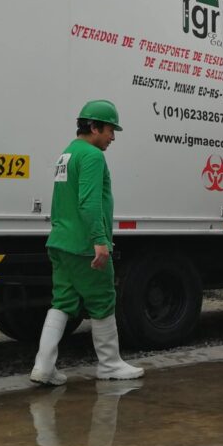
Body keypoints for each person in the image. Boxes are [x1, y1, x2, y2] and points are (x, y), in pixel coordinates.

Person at [30, 99, 143, 385]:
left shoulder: (67, 154)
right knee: (103, 300)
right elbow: (89, 202)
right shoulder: (92, 156)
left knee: (63, 302)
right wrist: (100, 240)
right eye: (110, 130)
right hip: (83, 245)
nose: (113, 137)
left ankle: (44, 366)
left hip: (60, 241)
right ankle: (110, 364)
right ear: (94, 127)